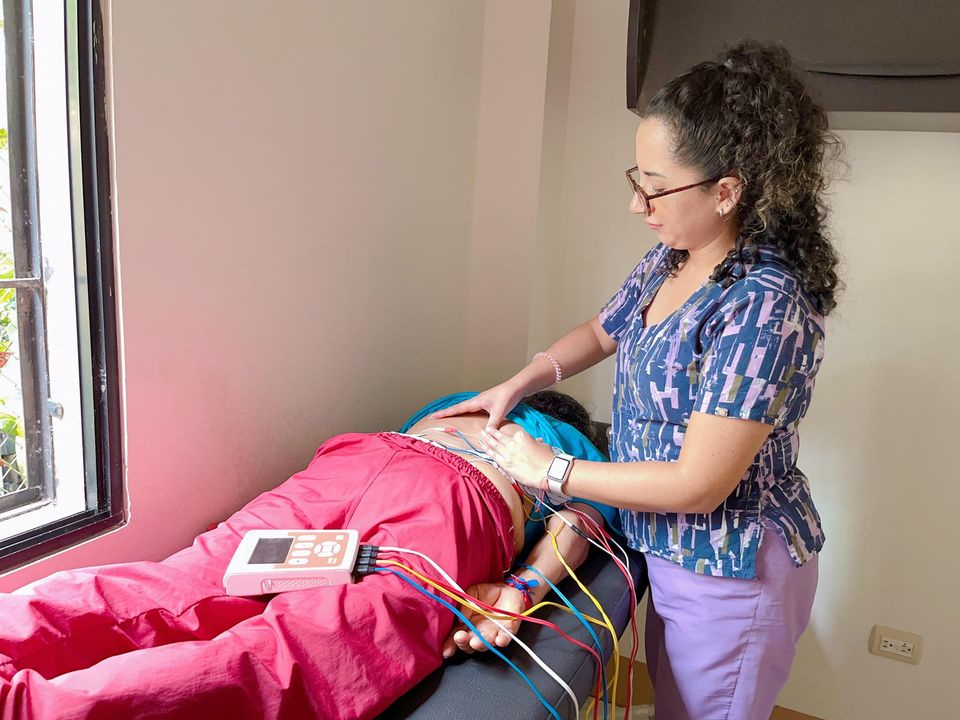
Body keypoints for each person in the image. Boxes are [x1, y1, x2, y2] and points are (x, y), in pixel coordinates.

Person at [432, 40, 841, 720]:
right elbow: (603, 331)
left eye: (654, 186)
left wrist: (550, 470)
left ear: (726, 191)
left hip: (730, 565)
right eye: (636, 179)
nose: (636, 203)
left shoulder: (763, 304)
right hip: (671, 549)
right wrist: (519, 383)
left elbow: (699, 483)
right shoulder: (674, 258)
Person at [0, 391, 617, 720]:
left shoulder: (461, 400)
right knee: (310, 648)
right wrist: (522, 588)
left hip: (358, 459)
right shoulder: (570, 443)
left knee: (188, 581)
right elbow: (581, 520)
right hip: (453, 497)